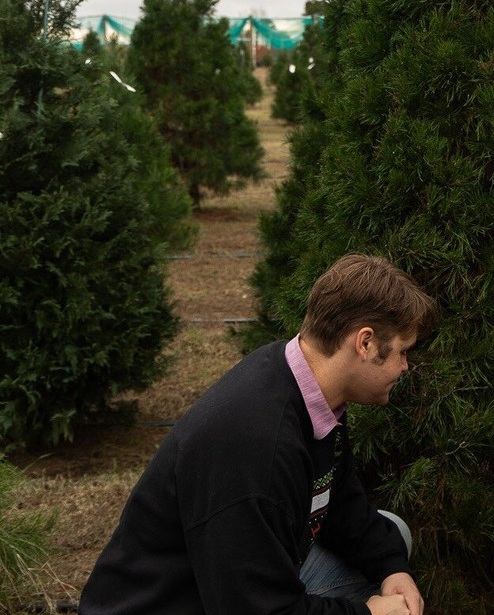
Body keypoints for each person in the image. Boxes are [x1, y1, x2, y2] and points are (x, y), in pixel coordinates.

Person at [80, 254, 437, 615]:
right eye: (402, 352)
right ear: (365, 343)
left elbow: (338, 503)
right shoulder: (257, 446)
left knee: (393, 534)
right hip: (175, 603)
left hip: (224, 586)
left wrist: (392, 567)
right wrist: (369, 613)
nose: (405, 366)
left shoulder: (308, 389)